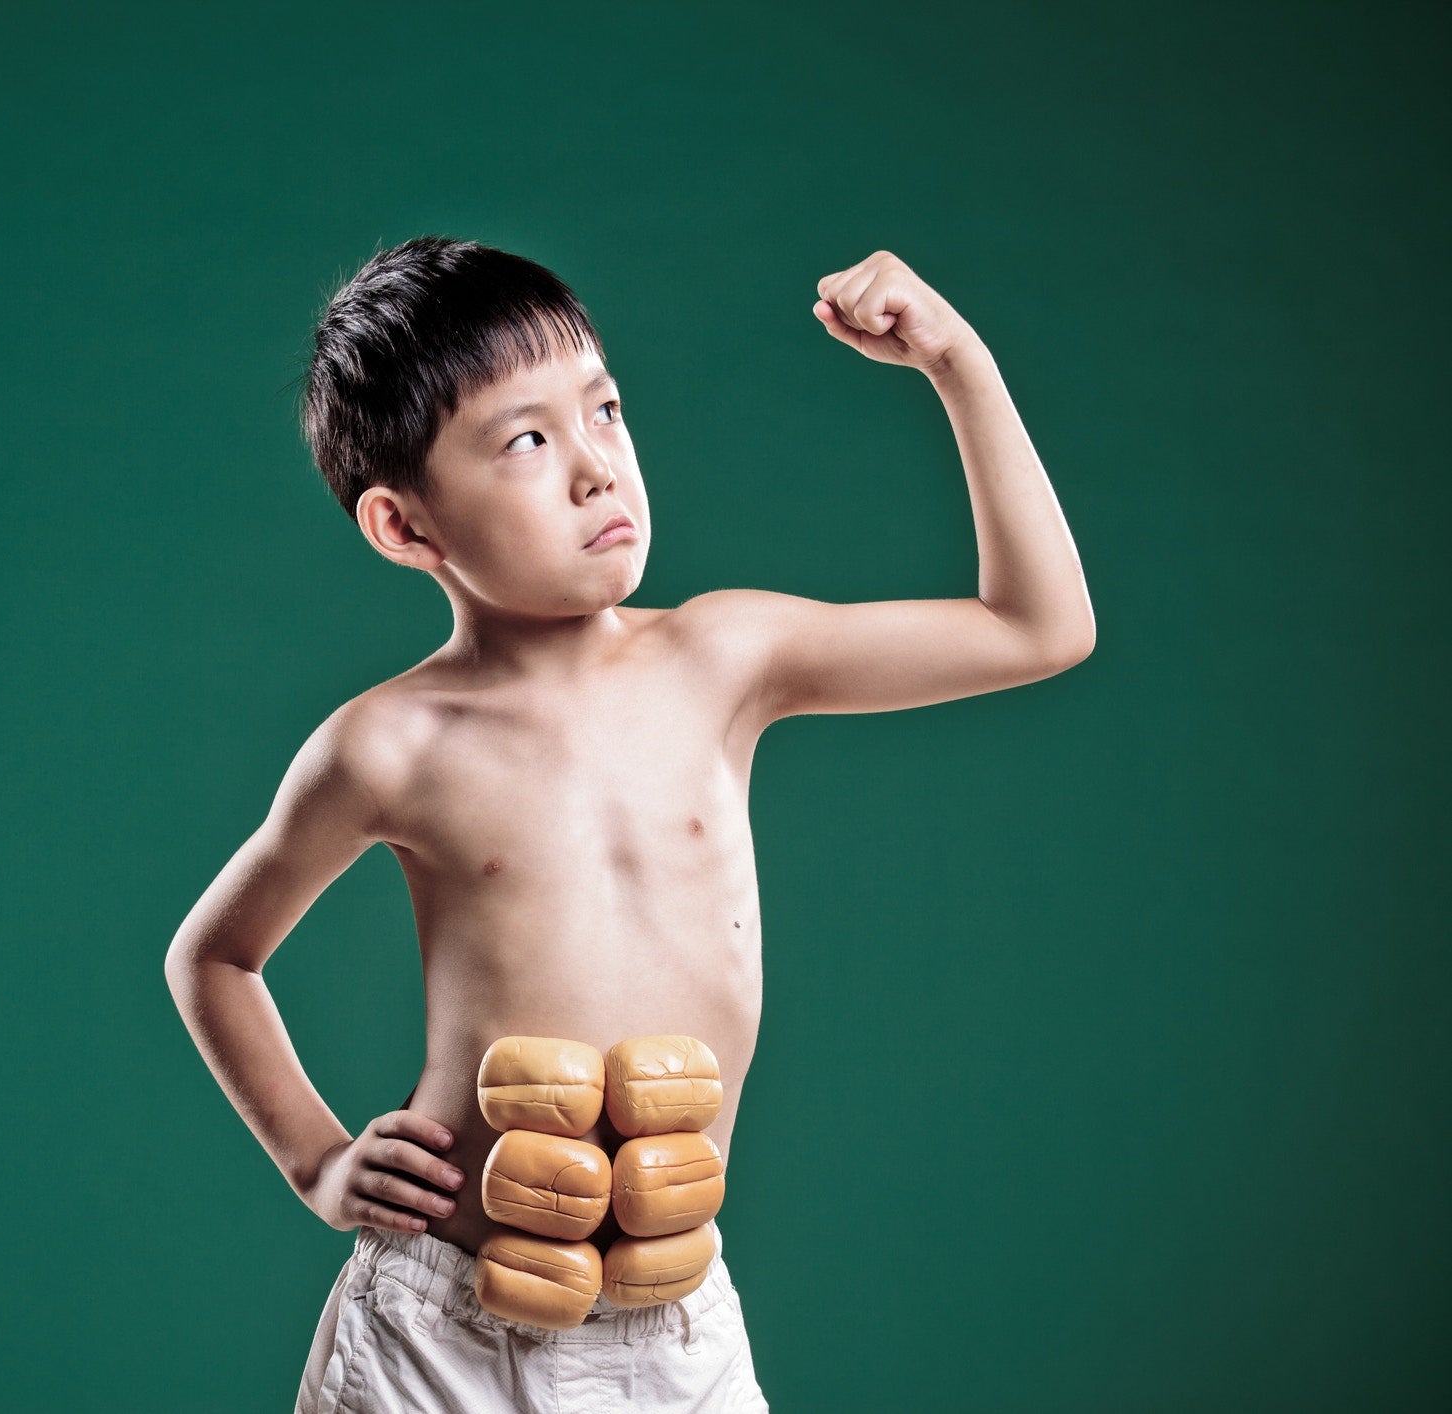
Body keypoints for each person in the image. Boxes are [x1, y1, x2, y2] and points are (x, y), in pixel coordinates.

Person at [163, 237, 1095, 1412]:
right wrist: (319, 1158)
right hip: (440, 1330)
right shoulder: (387, 743)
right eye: (528, 440)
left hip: (675, 1333)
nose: (598, 467)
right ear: (406, 529)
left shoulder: (725, 656)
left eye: (604, 408)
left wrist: (956, 364)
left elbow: (1039, 627)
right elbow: (215, 955)